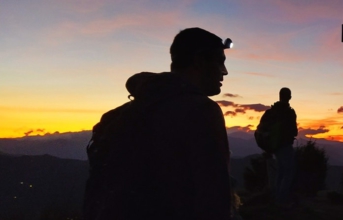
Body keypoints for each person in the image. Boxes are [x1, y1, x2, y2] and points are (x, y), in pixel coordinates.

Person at [83, 27, 233, 220]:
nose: (225, 72)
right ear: (199, 61)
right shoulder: (200, 109)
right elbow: (213, 197)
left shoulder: (127, 112)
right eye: (220, 62)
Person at [260, 87, 298, 206]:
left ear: (279, 96)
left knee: (280, 172)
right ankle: (282, 200)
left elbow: (262, 129)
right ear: (290, 97)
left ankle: (276, 197)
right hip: (285, 146)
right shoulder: (289, 113)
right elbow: (294, 131)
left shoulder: (270, 112)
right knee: (288, 172)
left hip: (274, 147)